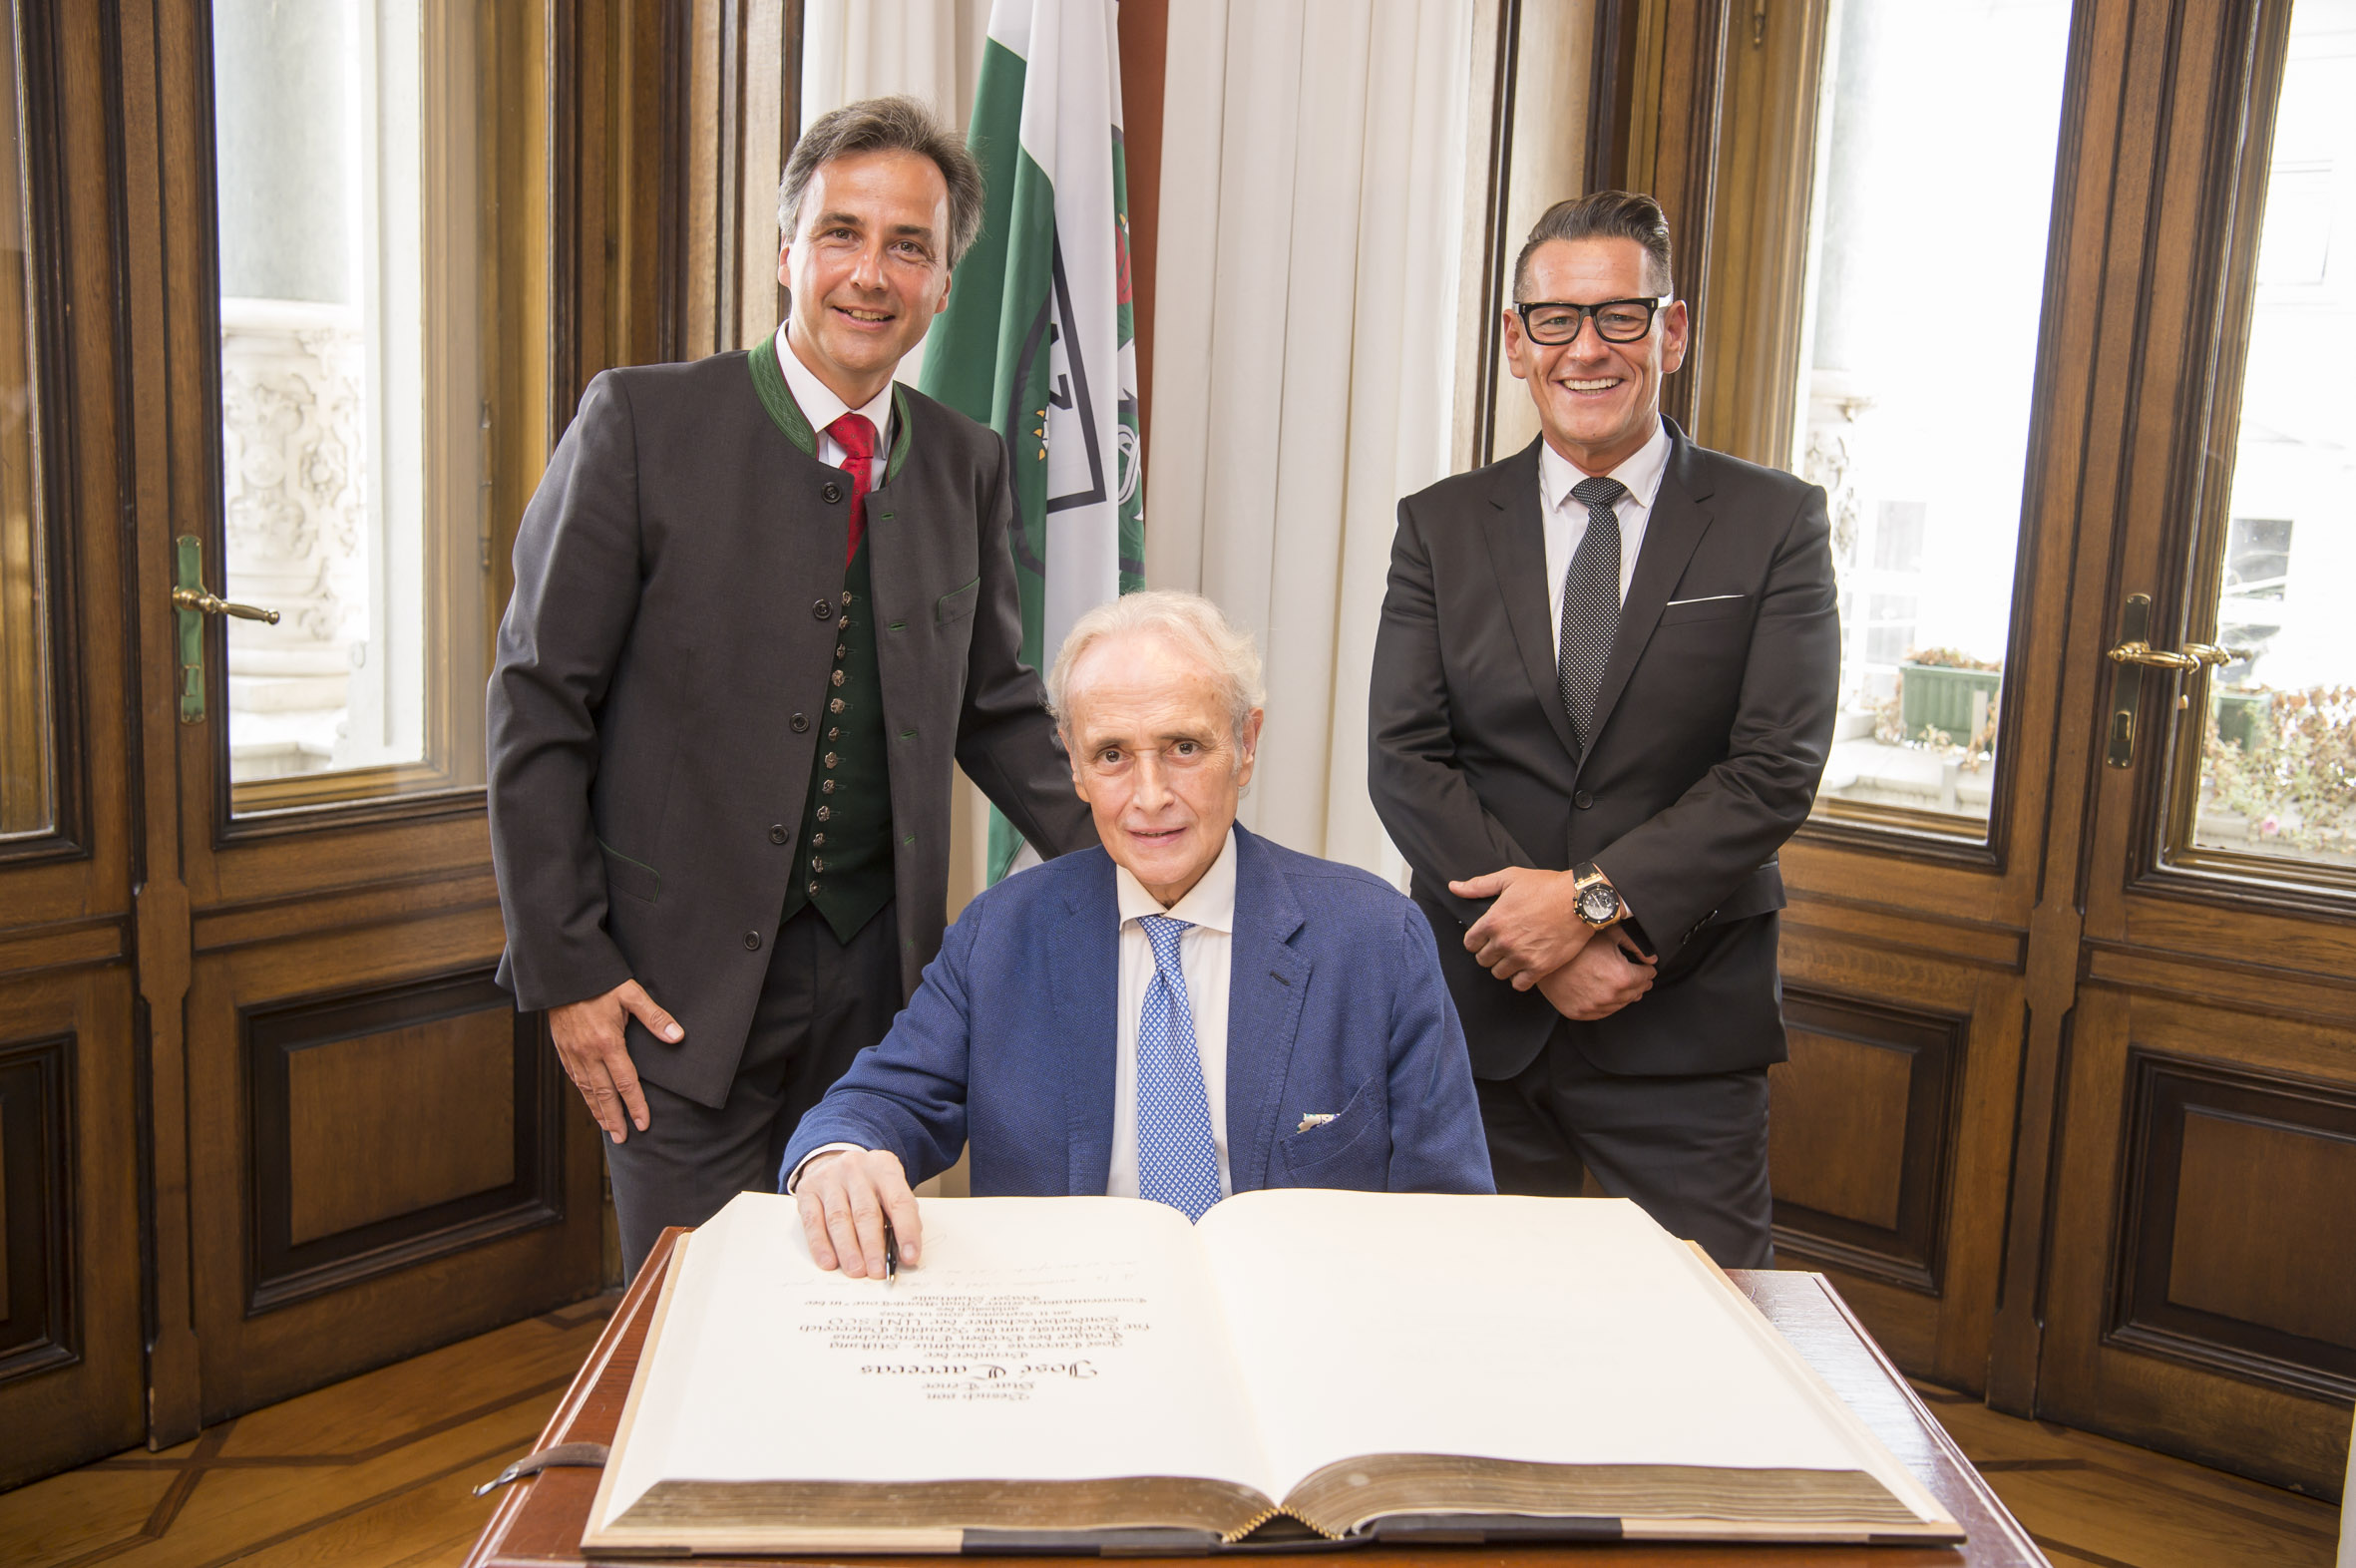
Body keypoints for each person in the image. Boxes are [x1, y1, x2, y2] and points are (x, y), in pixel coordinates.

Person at [488, 97, 1095, 1281]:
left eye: (908, 246)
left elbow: (996, 709)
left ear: (942, 284)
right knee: (688, 1316)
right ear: (785, 253)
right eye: (840, 234)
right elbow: (538, 703)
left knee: (855, 1312)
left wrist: (1145, 853)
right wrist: (567, 967)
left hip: (879, 994)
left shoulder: (966, 462)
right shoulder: (641, 424)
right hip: (668, 988)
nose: (870, 275)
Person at [1367, 191, 1838, 1268]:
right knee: (1466, 1340)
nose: (1587, 348)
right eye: (1555, 320)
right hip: (1478, 1016)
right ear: (1514, 343)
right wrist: (1534, 946)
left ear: (1672, 330)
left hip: (1679, 1011)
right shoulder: (1438, 527)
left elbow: (1773, 768)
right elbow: (1403, 759)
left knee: (1714, 1348)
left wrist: (1593, 909)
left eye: (1620, 317)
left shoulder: (1773, 523)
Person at [785, 591, 1494, 1276]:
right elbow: (881, 1102)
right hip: (1067, 1338)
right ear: (1073, 762)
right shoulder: (1001, 934)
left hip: (1291, 1334)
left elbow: (1449, 1215)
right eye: (1113, 755)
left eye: (1184, 746)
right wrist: (838, 1158)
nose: (1150, 797)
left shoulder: (1375, 940)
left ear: (1246, 745)